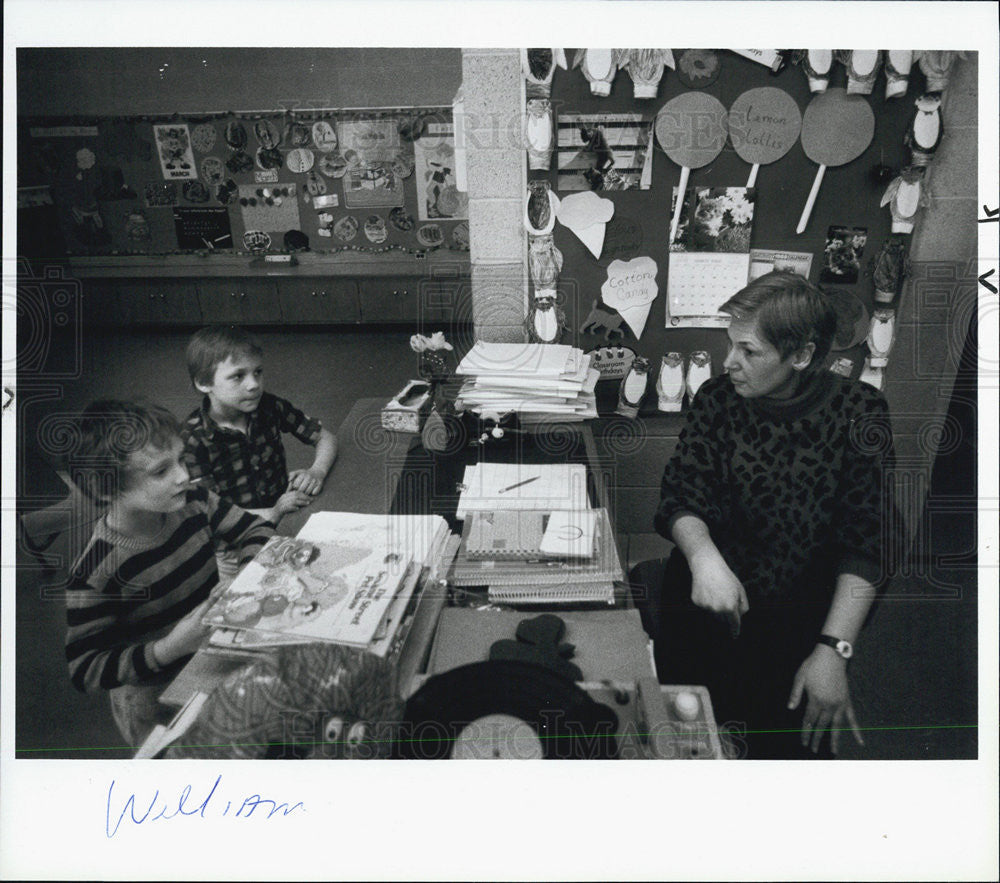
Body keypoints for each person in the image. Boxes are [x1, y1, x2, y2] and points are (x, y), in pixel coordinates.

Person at [636, 271, 899, 759]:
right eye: (730, 344)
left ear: (800, 355)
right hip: (703, 606)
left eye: (749, 351)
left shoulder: (860, 412)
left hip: (798, 628)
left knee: (784, 758)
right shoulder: (717, 399)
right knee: (689, 744)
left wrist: (833, 650)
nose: (729, 362)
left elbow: (869, 541)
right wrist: (704, 557)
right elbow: (680, 494)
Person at [64, 400, 275, 747]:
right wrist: (168, 648)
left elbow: (254, 529)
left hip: (214, 659)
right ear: (106, 489)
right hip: (155, 702)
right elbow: (85, 670)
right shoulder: (95, 573)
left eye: (181, 459)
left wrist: (243, 578)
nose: (183, 475)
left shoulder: (194, 500)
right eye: (161, 471)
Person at [181, 325, 338, 527]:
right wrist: (273, 512)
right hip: (234, 533)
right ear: (203, 382)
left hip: (286, 513)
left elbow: (325, 437)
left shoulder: (269, 406)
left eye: (258, 372)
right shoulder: (192, 439)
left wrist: (317, 471)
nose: (254, 384)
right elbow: (209, 511)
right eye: (238, 376)